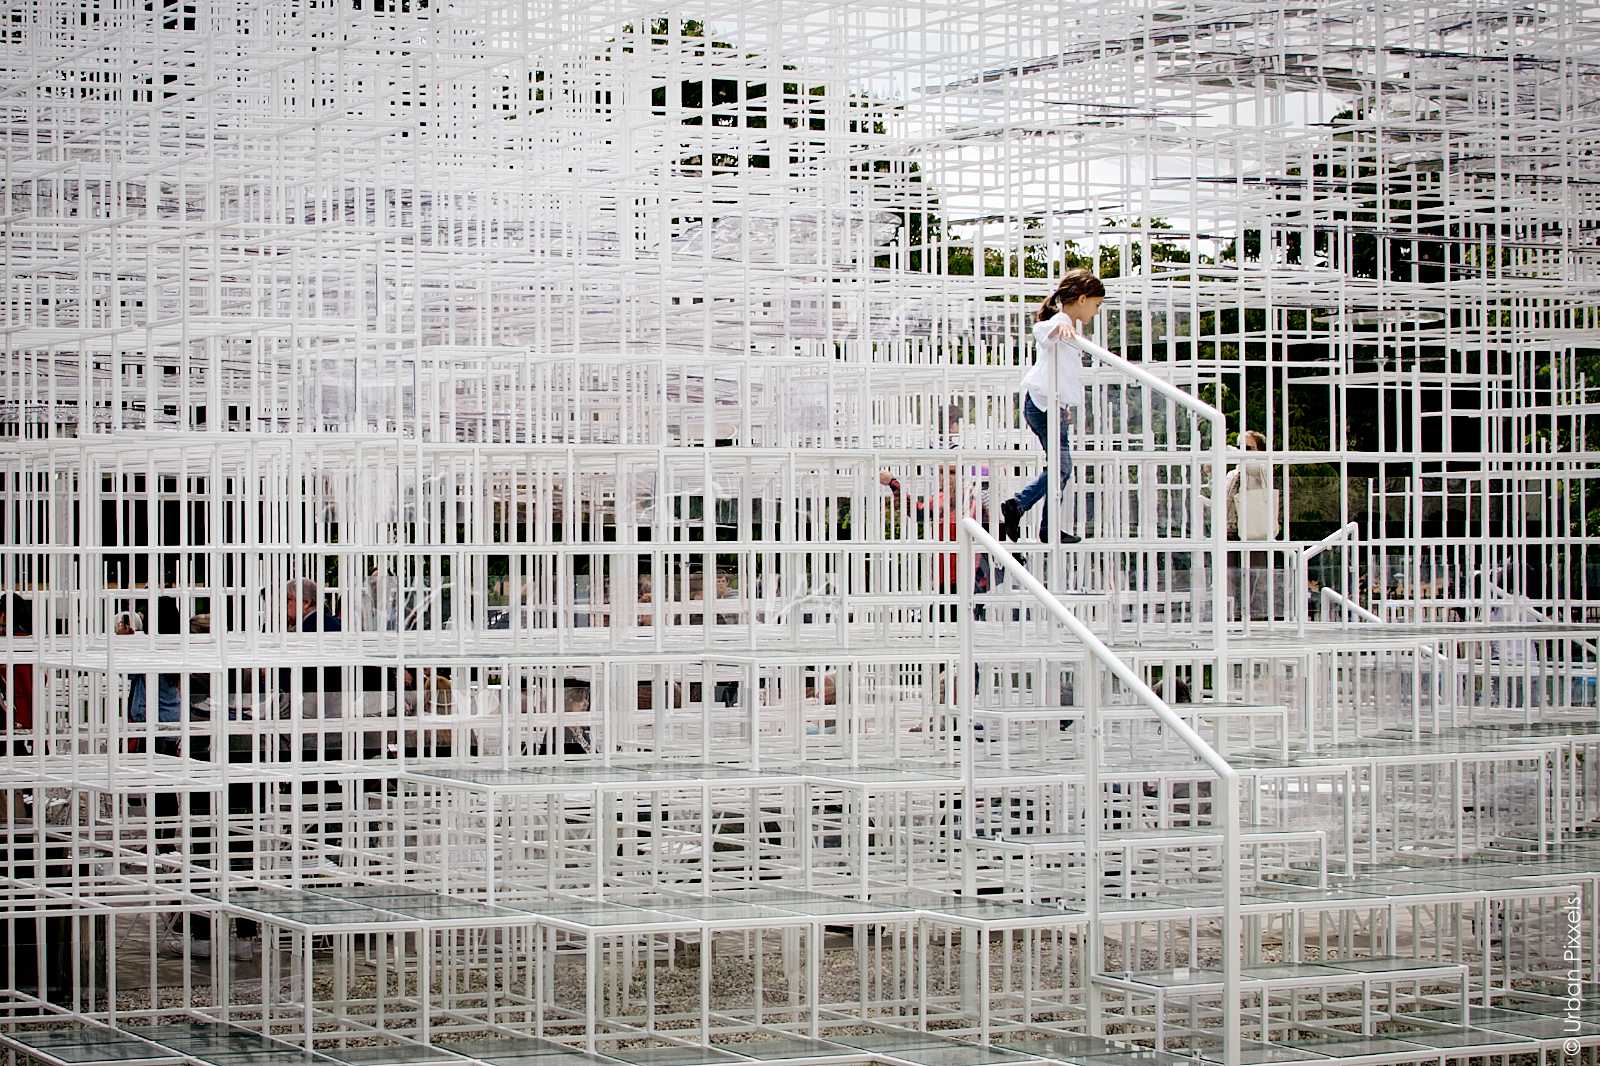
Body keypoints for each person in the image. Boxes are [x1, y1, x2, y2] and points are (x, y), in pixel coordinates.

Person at [1000, 270, 1106, 543]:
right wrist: (1060, 327)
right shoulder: (1060, 322)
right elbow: (1042, 330)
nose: (1095, 312)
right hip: (1043, 406)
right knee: (1061, 467)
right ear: (1082, 299)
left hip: (1051, 406)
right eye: (1096, 305)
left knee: (1060, 467)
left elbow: (1062, 370)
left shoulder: (1066, 326)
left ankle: (1046, 526)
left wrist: (1064, 406)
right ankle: (1020, 505)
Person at [1223, 430, 1278, 620]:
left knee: (1255, 577)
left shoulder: (1262, 468)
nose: (1242, 452)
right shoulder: (1233, 473)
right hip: (1231, 530)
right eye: (1240, 447)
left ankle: (1256, 617)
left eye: (1248, 448)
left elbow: (1253, 468)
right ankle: (1232, 615)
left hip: (1253, 530)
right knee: (1229, 577)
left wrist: (1239, 455)